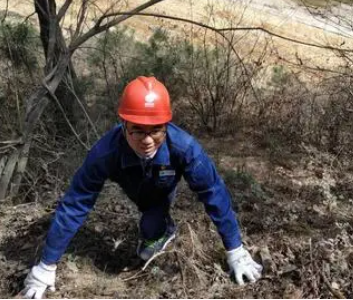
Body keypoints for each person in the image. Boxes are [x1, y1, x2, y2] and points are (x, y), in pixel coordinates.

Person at [22, 76, 262, 299]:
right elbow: (75, 204)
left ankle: (163, 226)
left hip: (160, 192)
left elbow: (214, 194)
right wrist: (46, 264)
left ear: (166, 125)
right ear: (124, 123)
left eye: (156, 130)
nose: (147, 140)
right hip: (134, 186)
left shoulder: (185, 148)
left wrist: (235, 250)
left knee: (150, 232)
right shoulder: (105, 153)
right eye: (137, 129)